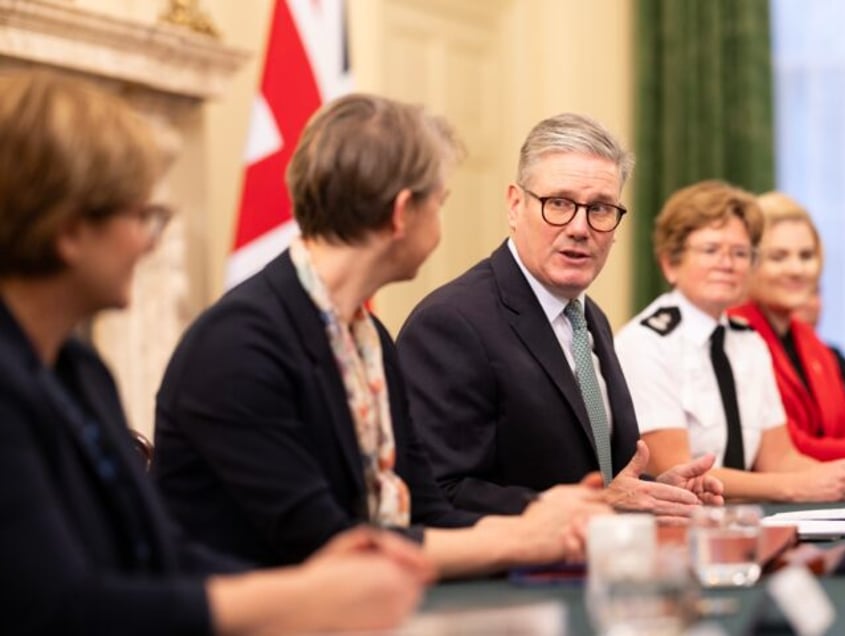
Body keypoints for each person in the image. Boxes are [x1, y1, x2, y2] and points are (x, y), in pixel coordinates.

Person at [0, 70, 434, 635]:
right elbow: (58, 611)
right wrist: (303, 599)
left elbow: (159, 553)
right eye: (141, 217)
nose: (149, 242)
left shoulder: (80, 369)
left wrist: (316, 586)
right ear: (68, 230)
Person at [153, 94, 611, 577]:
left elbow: (428, 514)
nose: (439, 225)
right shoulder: (239, 346)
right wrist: (527, 537)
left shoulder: (368, 336)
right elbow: (331, 546)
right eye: (439, 204)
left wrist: (547, 523)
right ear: (401, 214)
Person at [395, 112, 723, 516]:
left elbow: (602, 478)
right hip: (510, 575)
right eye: (560, 204)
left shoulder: (590, 317)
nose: (580, 227)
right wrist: (597, 506)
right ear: (515, 205)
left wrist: (656, 493)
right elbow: (439, 494)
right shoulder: (450, 324)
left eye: (601, 209)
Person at [616, 180, 845, 501]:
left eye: (740, 253)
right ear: (671, 263)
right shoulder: (646, 343)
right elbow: (676, 469)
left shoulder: (748, 342)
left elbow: (779, 459)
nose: (727, 263)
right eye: (711, 250)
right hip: (676, 527)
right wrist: (797, 486)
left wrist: (836, 477)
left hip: (747, 523)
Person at [730, 192, 845, 460]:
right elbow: (786, 447)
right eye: (778, 257)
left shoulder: (811, 340)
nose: (796, 269)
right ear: (748, 261)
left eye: (806, 256)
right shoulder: (732, 335)